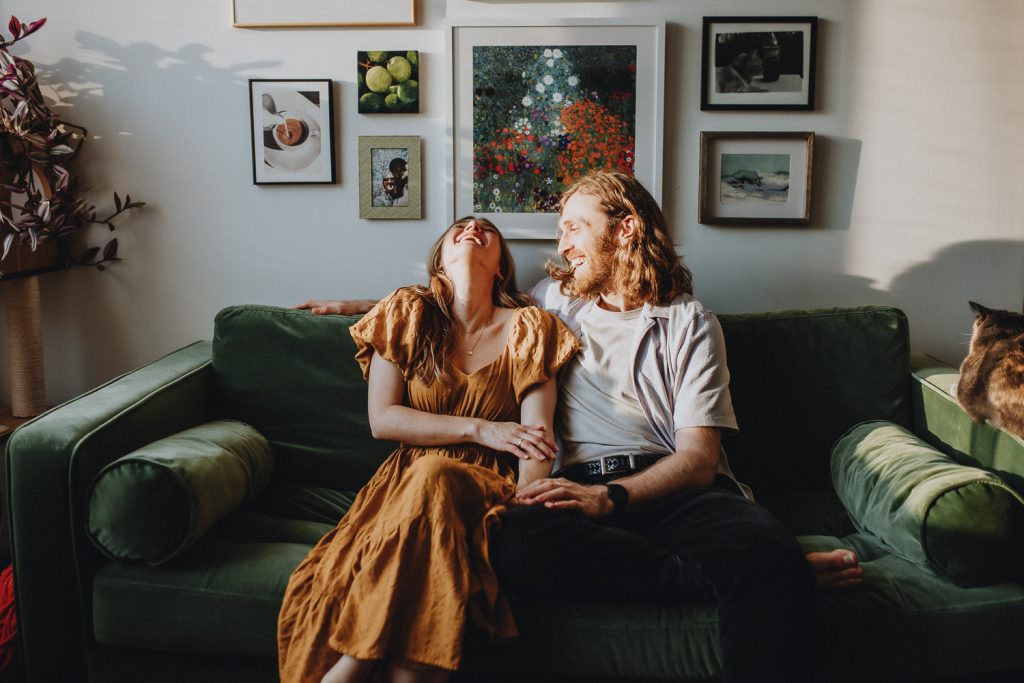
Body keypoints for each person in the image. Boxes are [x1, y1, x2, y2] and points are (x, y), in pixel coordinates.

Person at [295, 171, 863, 681]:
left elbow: (697, 460)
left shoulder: (691, 323)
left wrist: (608, 499)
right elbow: (465, 306)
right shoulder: (555, 303)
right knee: (515, 548)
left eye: (573, 228)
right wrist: (359, 305)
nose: (561, 245)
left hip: (677, 490)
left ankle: (762, 568)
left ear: (626, 230)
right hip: (573, 484)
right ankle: (752, 575)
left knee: (759, 543)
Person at [278, 216, 578, 683]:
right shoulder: (406, 314)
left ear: (501, 268)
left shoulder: (531, 327)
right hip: (405, 484)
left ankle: (354, 664)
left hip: (487, 487)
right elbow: (384, 419)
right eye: (460, 227)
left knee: (436, 476)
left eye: (487, 229)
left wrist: (525, 509)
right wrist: (479, 429)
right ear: (439, 260)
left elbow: (537, 438)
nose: (474, 228)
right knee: (430, 478)